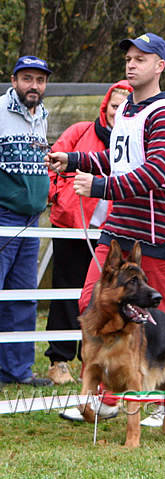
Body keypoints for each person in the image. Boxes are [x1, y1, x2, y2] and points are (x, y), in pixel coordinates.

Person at [46, 33, 165, 426]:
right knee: (92, 304)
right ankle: (108, 395)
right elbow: (119, 157)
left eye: (141, 58)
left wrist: (100, 187)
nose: (131, 63)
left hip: (157, 234)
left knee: (161, 323)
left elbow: (156, 172)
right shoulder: (126, 109)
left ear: (159, 66)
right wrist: (74, 158)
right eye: (129, 57)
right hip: (119, 229)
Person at [45, 80, 132, 386]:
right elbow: (55, 161)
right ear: (104, 106)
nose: (116, 112)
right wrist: (58, 195)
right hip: (71, 224)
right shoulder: (80, 131)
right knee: (66, 290)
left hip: (110, 231)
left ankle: (93, 358)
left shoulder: (131, 140)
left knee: (99, 296)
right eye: (113, 106)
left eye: (124, 107)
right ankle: (59, 358)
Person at [0, 56, 54, 389]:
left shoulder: (41, 116)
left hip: (32, 219)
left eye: (40, 80)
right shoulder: (1, 112)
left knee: (23, 295)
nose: (34, 86)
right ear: (14, 79)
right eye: (27, 79)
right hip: (3, 217)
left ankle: (17, 370)